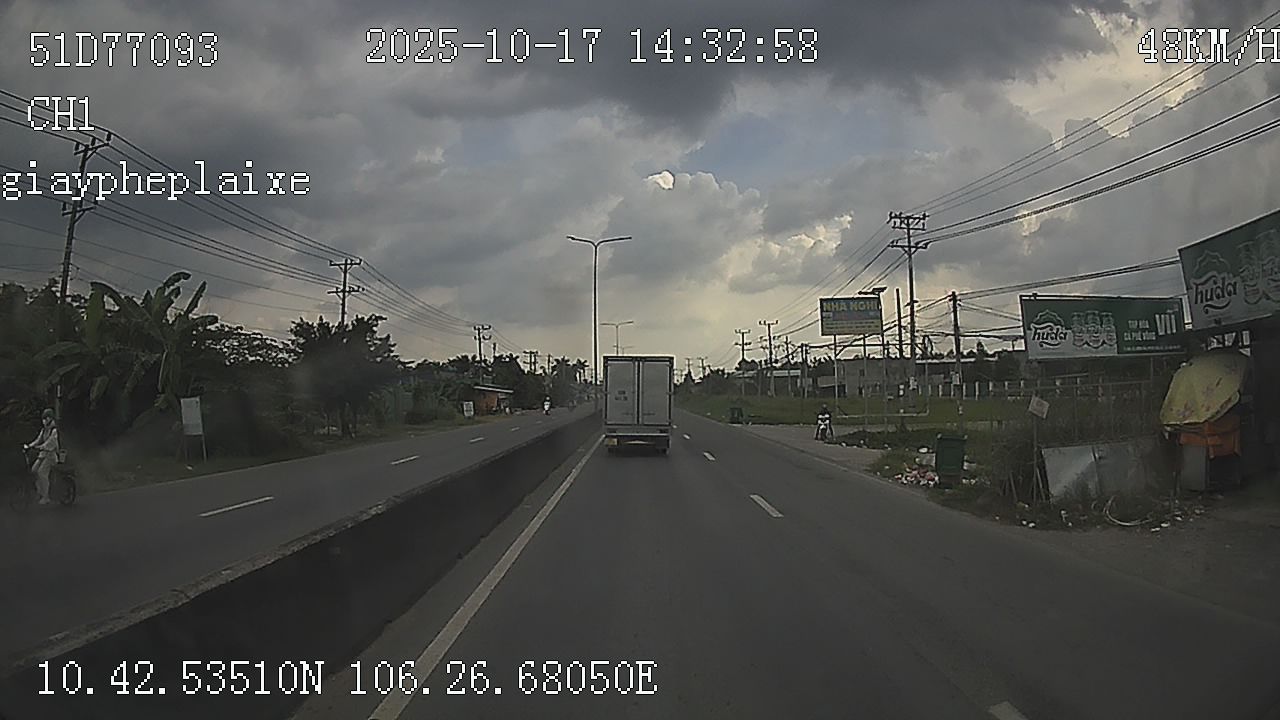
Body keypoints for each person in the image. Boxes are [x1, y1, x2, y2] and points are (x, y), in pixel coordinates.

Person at [23, 408, 61, 505]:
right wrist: (29, 446)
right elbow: (38, 439)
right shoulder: (44, 430)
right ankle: (39, 492)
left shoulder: (54, 430)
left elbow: (51, 442)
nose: (44, 420)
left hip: (51, 456)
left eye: (46, 418)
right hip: (43, 454)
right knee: (34, 470)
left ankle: (46, 497)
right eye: (44, 418)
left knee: (42, 473)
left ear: (50, 418)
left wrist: (41, 447)